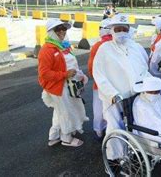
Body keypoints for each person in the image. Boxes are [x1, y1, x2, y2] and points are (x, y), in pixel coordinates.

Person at [93, 14, 150, 159]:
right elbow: (99, 74)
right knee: (115, 127)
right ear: (111, 30)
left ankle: (135, 153)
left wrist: (148, 85)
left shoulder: (136, 47)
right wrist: (111, 94)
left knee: (137, 124)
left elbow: (145, 67)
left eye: (124, 29)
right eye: (117, 29)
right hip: (114, 98)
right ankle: (115, 158)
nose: (121, 32)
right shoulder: (104, 49)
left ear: (129, 29)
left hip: (136, 95)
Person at [38, 19, 89, 147]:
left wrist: (80, 75)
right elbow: (44, 73)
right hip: (58, 87)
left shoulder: (63, 46)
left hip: (68, 85)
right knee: (66, 111)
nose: (61, 31)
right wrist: (65, 75)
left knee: (59, 111)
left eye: (63, 28)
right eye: (58, 29)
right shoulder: (47, 50)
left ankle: (54, 136)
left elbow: (72, 64)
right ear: (51, 32)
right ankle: (66, 138)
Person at [87, 18, 112, 139]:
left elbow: (91, 67)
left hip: (99, 84)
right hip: (115, 84)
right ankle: (111, 129)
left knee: (98, 109)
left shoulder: (97, 45)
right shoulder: (117, 44)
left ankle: (99, 130)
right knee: (112, 108)